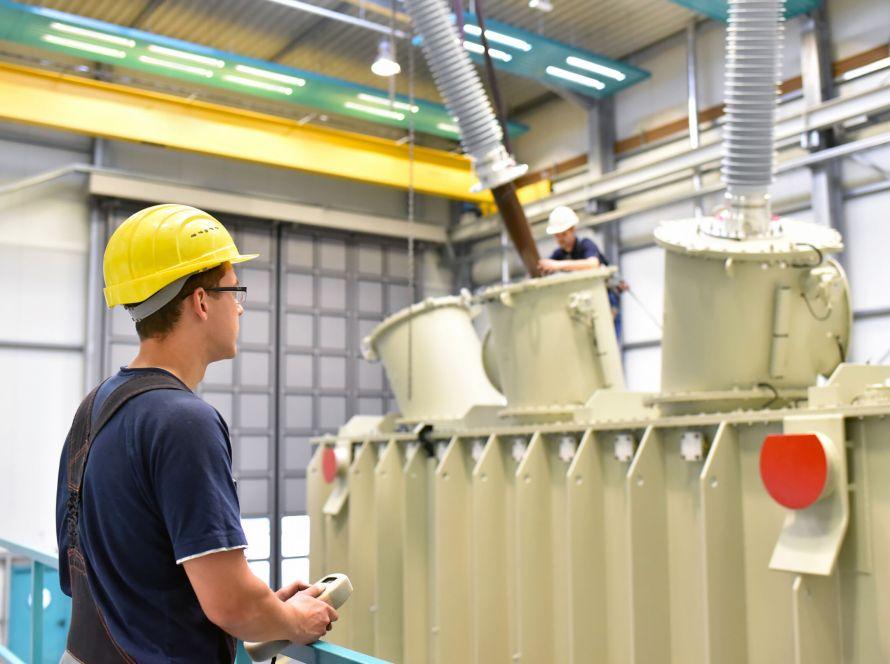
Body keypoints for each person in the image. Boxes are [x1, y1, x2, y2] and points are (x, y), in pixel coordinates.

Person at [55, 204, 338, 663]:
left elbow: (120, 571)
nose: (240, 305)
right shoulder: (184, 421)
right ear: (202, 301)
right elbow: (228, 602)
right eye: (234, 289)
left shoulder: (96, 406)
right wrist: (293, 621)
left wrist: (263, 609)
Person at [537, 205, 626, 337]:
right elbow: (543, 272)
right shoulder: (558, 254)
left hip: (606, 301)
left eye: (563, 234)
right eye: (557, 236)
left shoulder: (585, 245)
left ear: (572, 230)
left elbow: (592, 264)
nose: (560, 239)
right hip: (585, 307)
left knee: (607, 340)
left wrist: (558, 265)